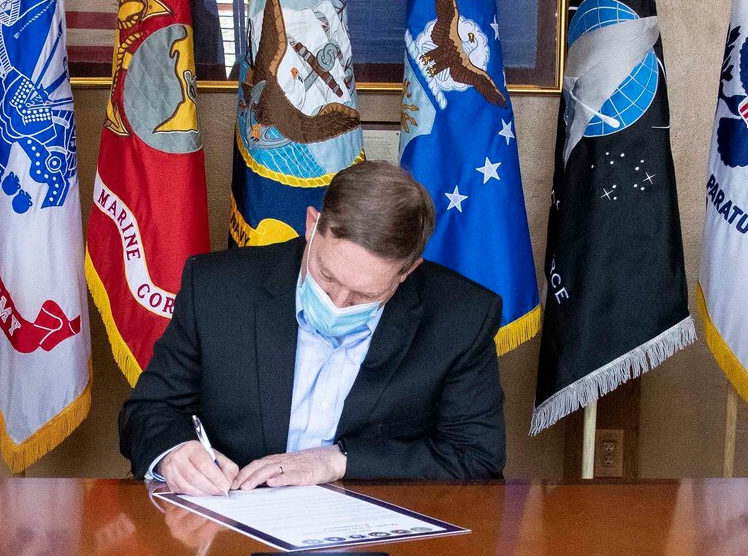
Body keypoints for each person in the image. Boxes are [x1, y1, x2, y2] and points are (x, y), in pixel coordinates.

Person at [120, 160, 505, 492]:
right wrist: (173, 452)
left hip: (376, 542)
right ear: (312, 225)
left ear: (407, 272)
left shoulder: (461, 318)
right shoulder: (217, 288)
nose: (337, 303)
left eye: (363, 295)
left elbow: (476, 458)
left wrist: (339, 462)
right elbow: (149, 411)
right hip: (228, 534)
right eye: (326, 276)